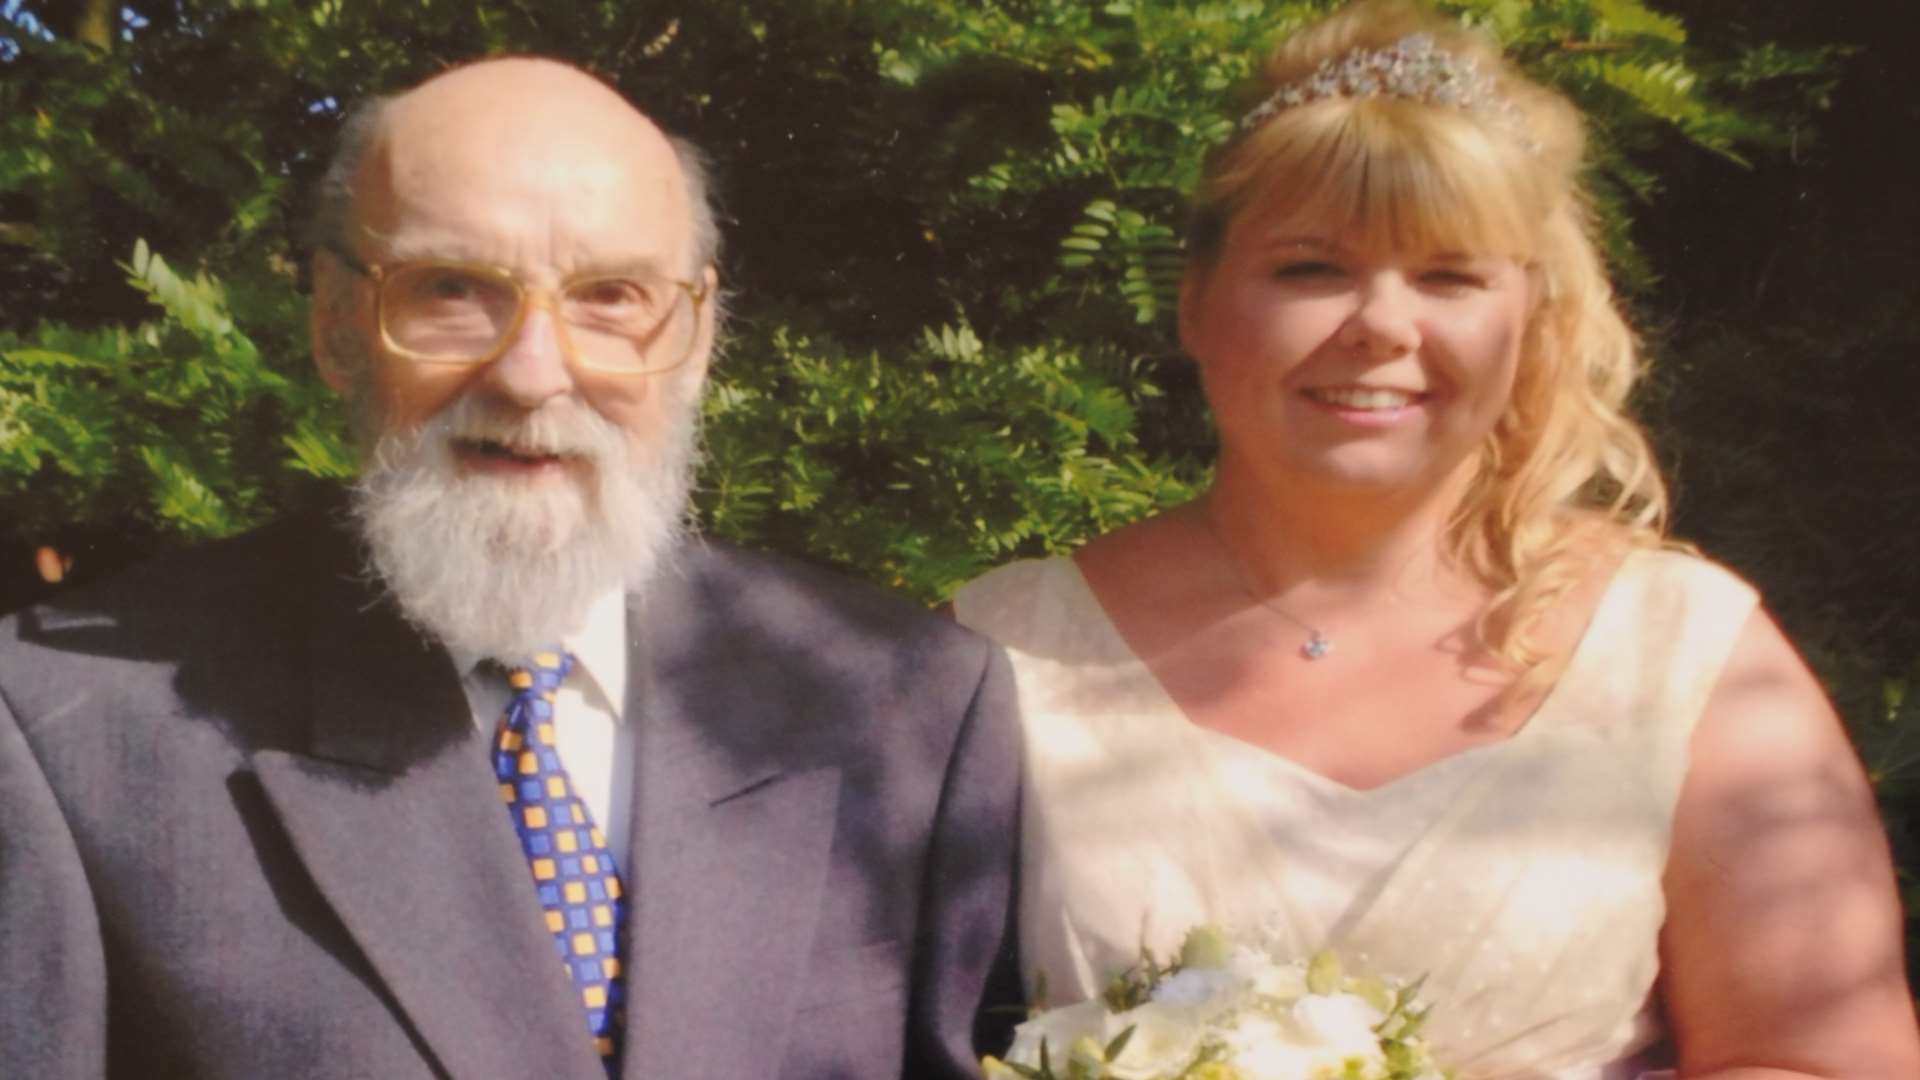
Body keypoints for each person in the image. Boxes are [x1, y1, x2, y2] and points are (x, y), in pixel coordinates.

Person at [0, 58, 1021, 1080]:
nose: (533, 373)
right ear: (334, 324)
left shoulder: (906, 703)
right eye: (451, 290)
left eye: (611, 296)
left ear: (700, 334)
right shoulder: (67, 736)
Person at [954, 2, 1920, 1076]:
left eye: (1449, 276)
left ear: (1530, 318)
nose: (1383, 324)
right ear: (1196, 303)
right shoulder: (1000, 653)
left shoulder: (1687, 656)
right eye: (1311, 269)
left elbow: (1832, 1059)